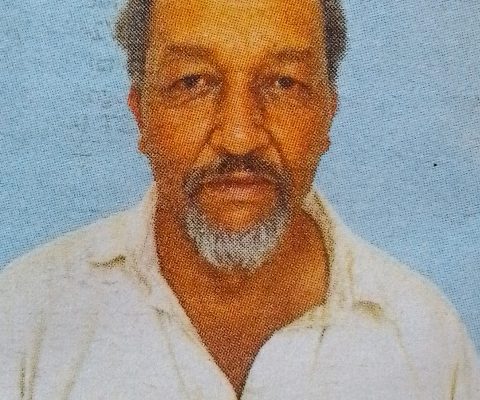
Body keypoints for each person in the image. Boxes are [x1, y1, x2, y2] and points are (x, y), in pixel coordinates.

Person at [0, 0, 478, 398]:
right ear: (140, 113)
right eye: (192, 82)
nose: (239, 137)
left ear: (328, 111)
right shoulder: (23, 319)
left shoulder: (426, 339)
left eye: (284, 82)